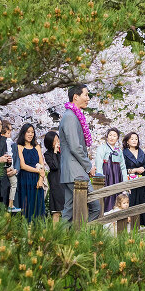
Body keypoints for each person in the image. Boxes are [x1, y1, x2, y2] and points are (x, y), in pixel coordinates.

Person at [59, 83, 100, 224]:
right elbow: (75, 147)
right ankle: (82, 236)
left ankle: (62, 239)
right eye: (86, 95)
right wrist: (89, 166)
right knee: (96, 207)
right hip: (75, 172)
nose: (88, 98)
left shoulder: (73, 115)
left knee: (68, 211)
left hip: (73, 171)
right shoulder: (70, 116)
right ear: (76, 97)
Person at [122, 131, 145, 226]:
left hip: (142, 181)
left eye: (136, 139)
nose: (134, 140)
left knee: (144, 202)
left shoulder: (140, 152)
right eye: (132, 139)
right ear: (127, 141)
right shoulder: (124, 153)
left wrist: (143, 168)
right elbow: (122, 169)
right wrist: (134, 170)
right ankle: (131, 225)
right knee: (132, 202)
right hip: (130, 181)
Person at [16, 123, 46, 222]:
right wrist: (38, 171)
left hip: (37, 179)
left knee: (37, 204)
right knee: (26, 205)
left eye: (32, 132)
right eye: (28, 132)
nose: (30, 134)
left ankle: (38, 230)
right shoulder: (19, 146)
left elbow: (42, 165)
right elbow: (22, 165)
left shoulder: (36, 146)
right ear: (23, 133)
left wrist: (41, 179)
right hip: (25, 179)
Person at [0, 114, 18, 211]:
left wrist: (8, 162)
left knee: (2, 208)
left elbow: (5, 155)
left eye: (0, 124)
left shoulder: (4, 140)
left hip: (3, 178)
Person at [94, 127, 128, 212]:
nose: (112, 137)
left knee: (117, 194)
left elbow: (123, 167)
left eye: (114, 136)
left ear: (117, 138)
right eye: (110, 135)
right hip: (106, 173)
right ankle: (106, 215)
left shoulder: (119, 151)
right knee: (107, 195)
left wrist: (125, 181)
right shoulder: (102, 148)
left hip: (117, 174)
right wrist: (100, 177)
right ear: (107, 136)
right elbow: (99, 163)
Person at [43, 131, 66, 217]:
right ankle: (55, 230)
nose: (57, 142)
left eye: (58, 140)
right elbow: (54, 166)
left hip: (64, 182)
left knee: (66, 210)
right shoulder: (47, 154)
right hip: (56, 183)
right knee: (56, 210)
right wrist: (55, 152)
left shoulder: (63, 153)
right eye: (55, 141)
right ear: (49, 142)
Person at [0, 120, 22, 213]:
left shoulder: (13, 145)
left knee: (13, 186)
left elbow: (17, 159)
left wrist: (16, 170)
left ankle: (11, 205)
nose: (11, 133)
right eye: (9, 131)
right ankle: (10, 204)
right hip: (3, 173)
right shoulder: (2, 143)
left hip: (11, 170)